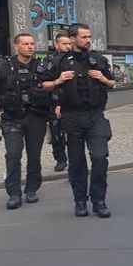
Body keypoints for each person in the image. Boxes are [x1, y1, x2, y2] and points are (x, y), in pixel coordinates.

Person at [41, 23, 115, 218]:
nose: (88, 40)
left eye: (89, 37)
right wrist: (58, 81)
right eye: (84, 37)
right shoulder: (59, 61)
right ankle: (80, 201)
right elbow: (42, 85)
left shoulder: (97, 60)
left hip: (95, 116)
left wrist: (103, 79)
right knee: (76, 162)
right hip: (71, 116)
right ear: (73, 39)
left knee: (99, 157)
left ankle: (99, 201)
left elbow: (113, 82)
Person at [0, 33, 52, 210]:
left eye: (32, 43)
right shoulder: (4, 67)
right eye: (25, 44)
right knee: (13, 154)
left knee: (34, 156)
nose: (30, 47)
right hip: (12, 117)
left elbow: (53, 89)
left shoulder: (42, 67)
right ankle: (14, 193)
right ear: (16, 47)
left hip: (36, 116)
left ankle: (31, 188)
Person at [48, 31, 73, 172]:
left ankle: (75, 161)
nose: (67, 46)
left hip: (71, 103)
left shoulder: (73, 60)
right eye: (64, 44)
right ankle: (60, 159)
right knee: (56, 133)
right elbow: (49, 83)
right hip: (53, 102)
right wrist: (57, 103)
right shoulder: (50, 61)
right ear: (56, 44)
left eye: (69, 43)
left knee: (73, 135)